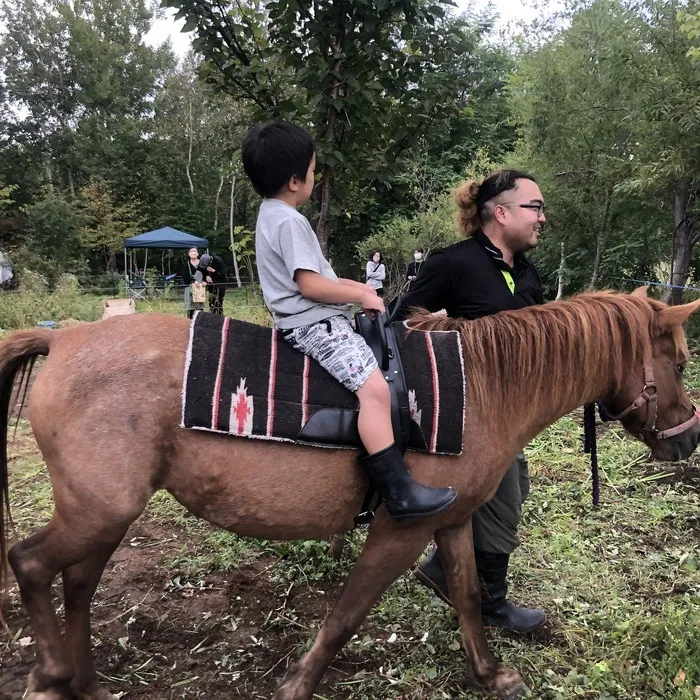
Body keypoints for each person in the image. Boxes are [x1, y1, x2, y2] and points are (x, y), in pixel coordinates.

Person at [241, 120, 456, 522]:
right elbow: (309, 285)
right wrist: (359, 295)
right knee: (375, 390)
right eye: (311, 169)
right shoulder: (290, 221)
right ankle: (399, 490)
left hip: (306, 319)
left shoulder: (271, 215)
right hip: (314, 324)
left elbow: (319, 276)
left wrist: (359, 286)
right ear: (293, 180)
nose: (313, 176)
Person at [393, 169, 546, 633]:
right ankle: (490, 603)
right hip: (468, 415)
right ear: (501, 213)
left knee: (511, 488)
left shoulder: (528, 274)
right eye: (535, 207)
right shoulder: (453, 263)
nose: (543, 217)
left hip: (513, 415)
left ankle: (443, 567)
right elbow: (400, 325)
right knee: (505, 495)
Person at [180, 247, 206, 319]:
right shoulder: (186, 264)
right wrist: (193, 281)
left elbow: (206, 274)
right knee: (191, 308)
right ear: (188, 254)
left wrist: (204, 281)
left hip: (200, 288)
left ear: (198, 253)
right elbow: (184, 276)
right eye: (191, 251)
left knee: (200, 308)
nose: (193, 253)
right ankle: (190, 323)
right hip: (190, 288)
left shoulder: (202, 264)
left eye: (195, 251)